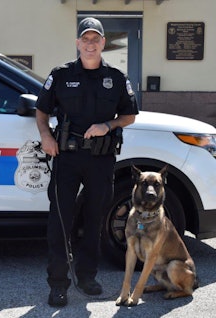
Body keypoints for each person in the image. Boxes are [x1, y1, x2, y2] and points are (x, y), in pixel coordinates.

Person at [35, 17, 138, 307]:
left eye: (96, 39)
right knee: (60, 221)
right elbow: (41, 112)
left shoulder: (117, 78)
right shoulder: (60, 74)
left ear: (103, 43)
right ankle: (58, 284)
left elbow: (129, 116)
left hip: (101, 159)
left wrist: (108, 125)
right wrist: (46, 137)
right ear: (78, 43)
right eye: (86, 39)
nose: (90, 44)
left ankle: (88, 276)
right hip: (66, 157)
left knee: (94, 219)